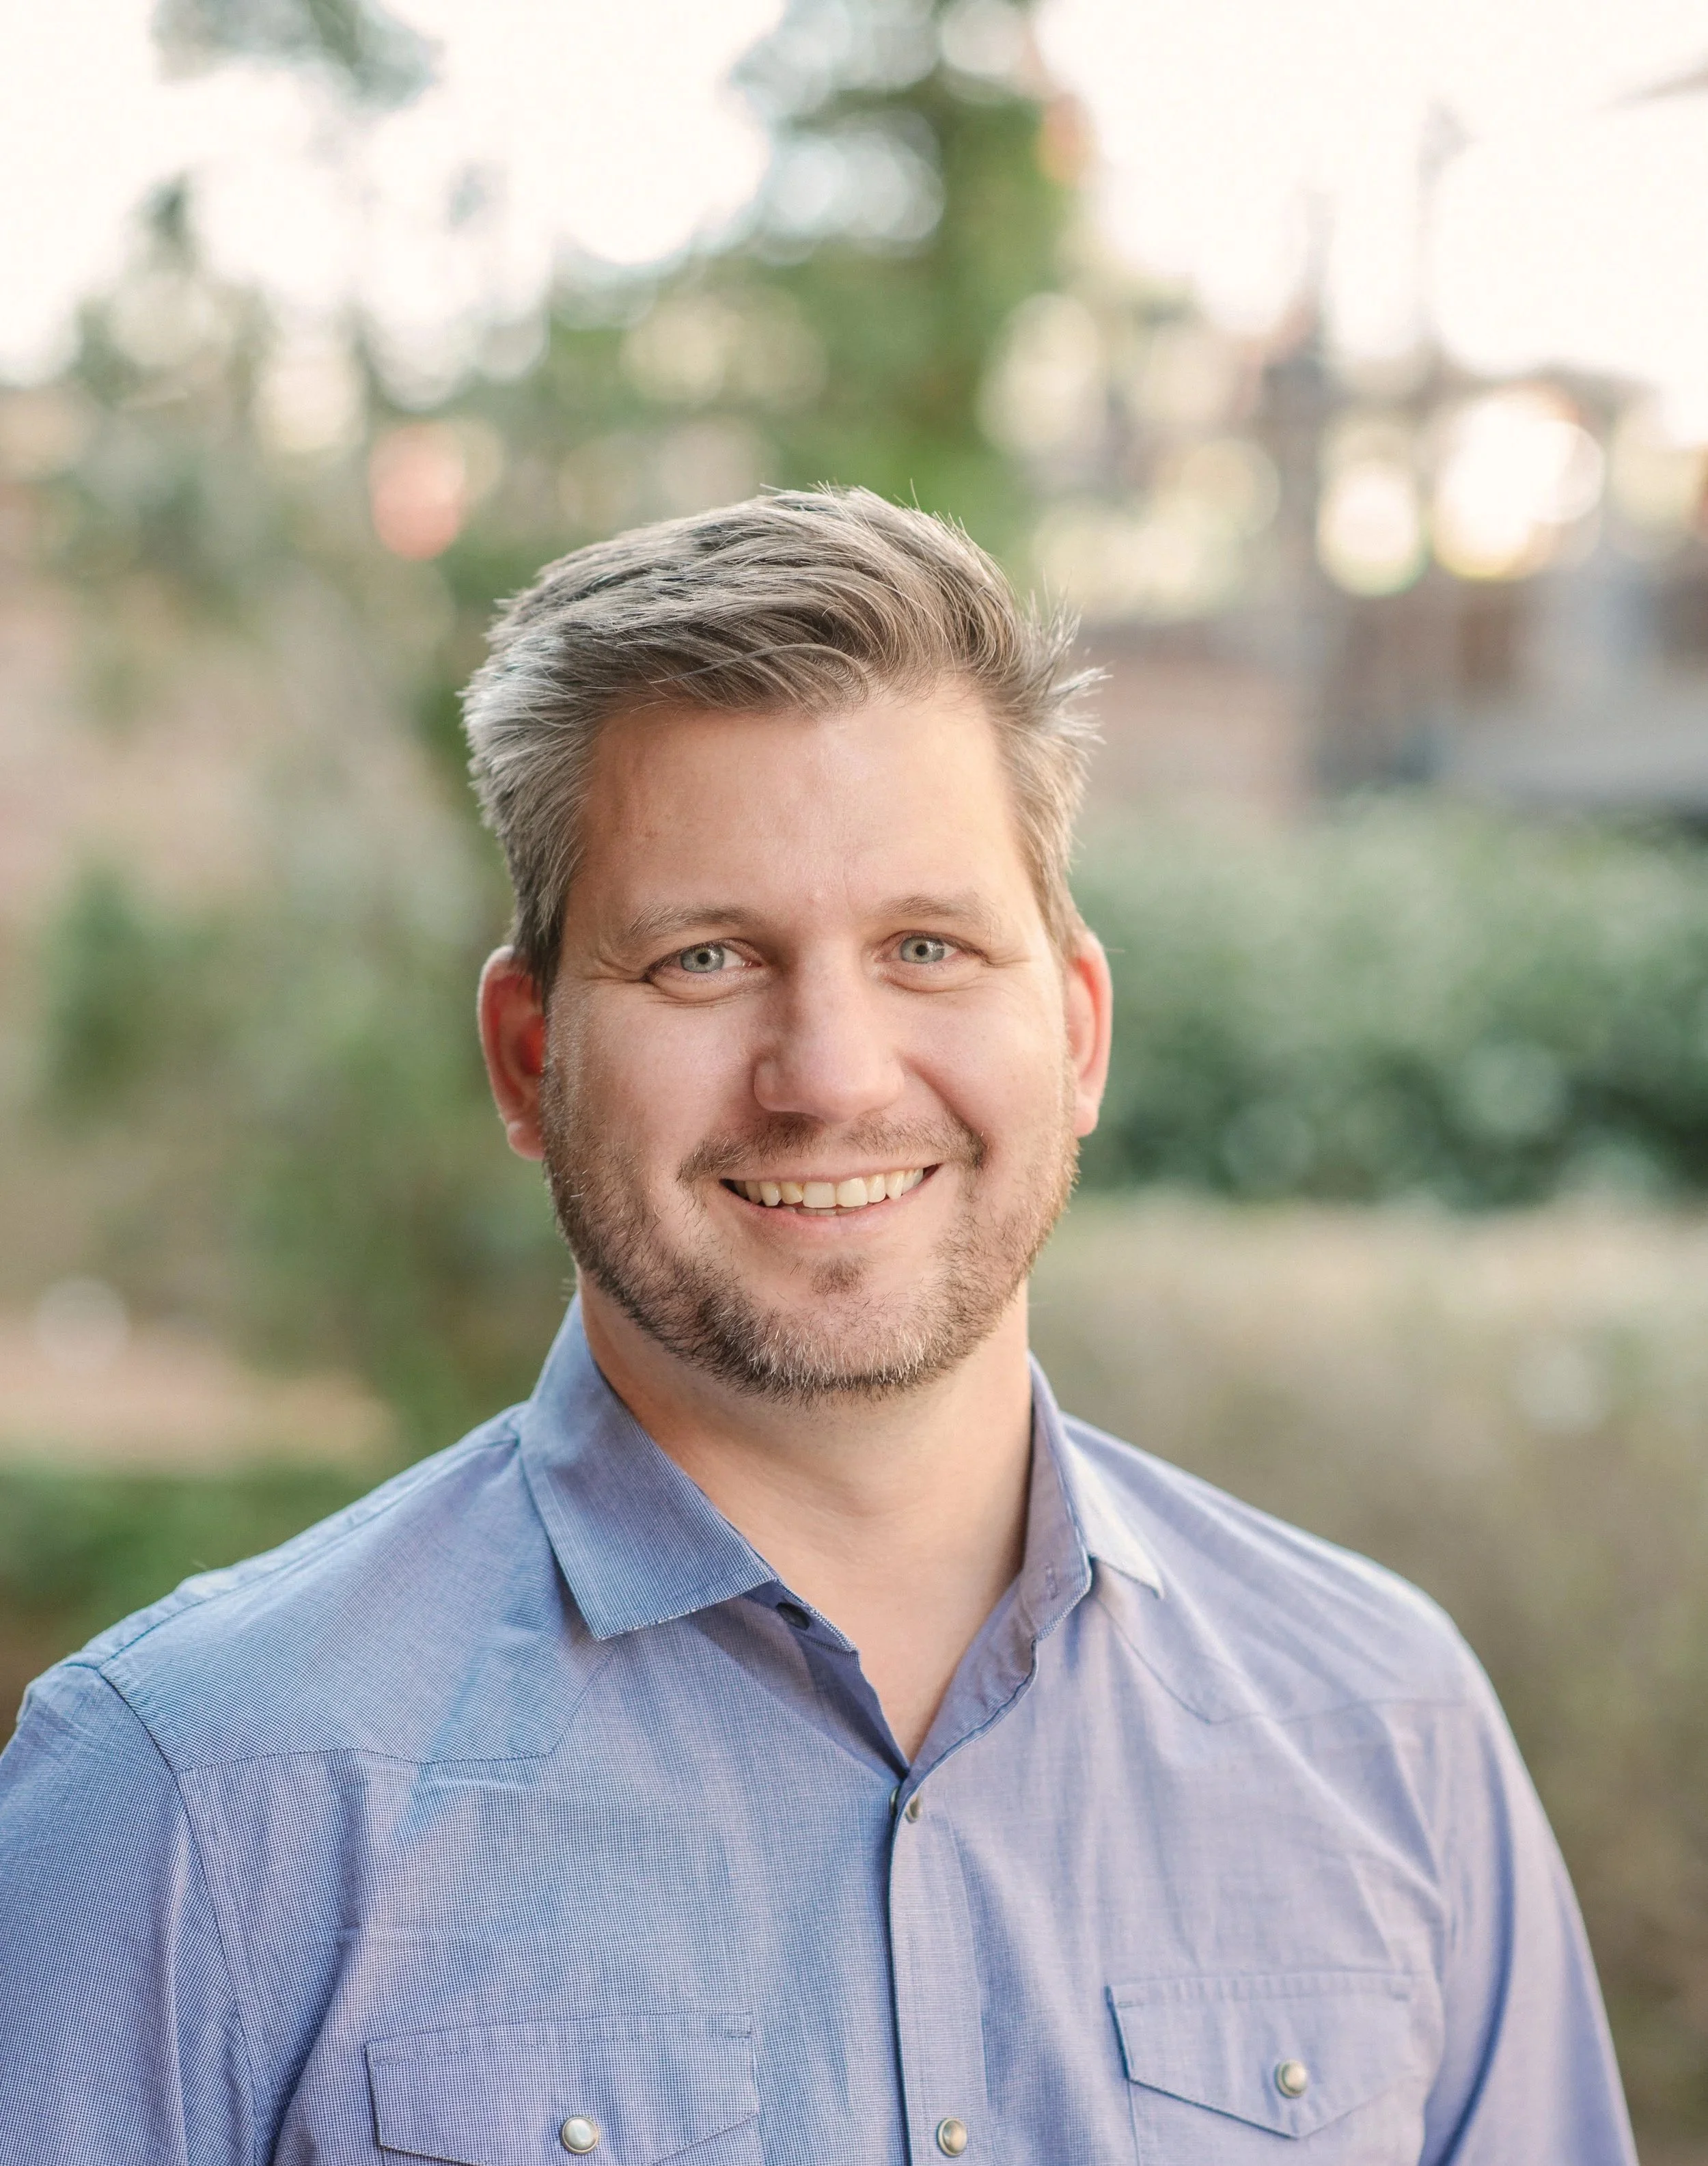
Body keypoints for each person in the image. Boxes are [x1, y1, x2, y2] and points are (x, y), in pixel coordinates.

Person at [0, 489, 1634, 2165]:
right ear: (523, 1055)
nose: (833, 1076)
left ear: (1073, 1035)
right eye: (705, 959)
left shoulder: (1383, 1726)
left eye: (926, 946)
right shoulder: (189, 1800)